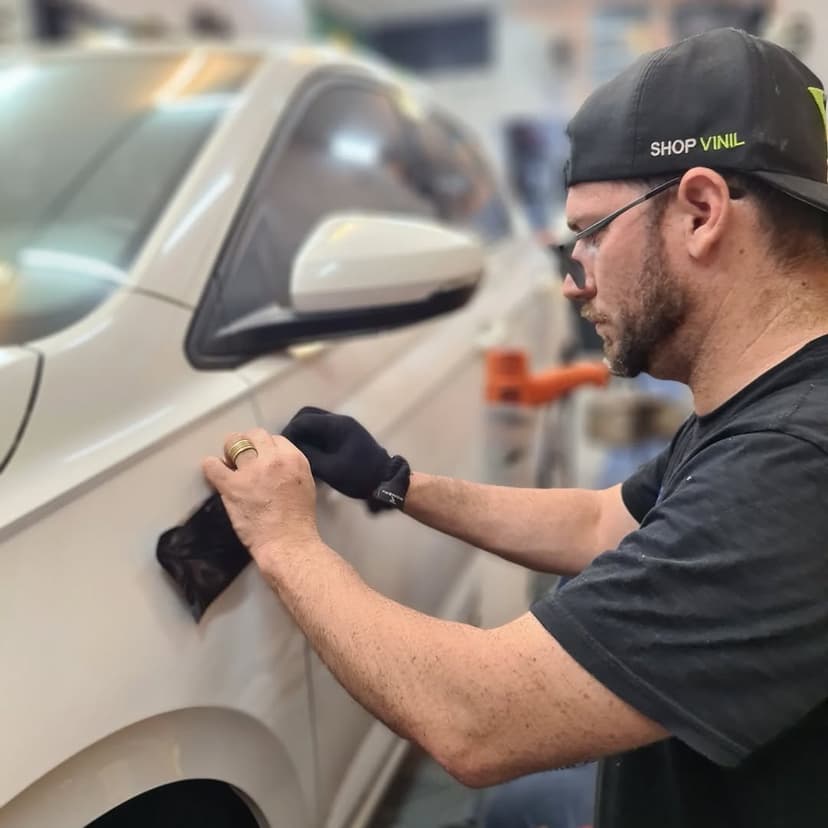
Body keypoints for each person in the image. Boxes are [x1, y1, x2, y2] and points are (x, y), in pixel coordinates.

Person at [202, 28, 828, 827]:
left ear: (701, 211)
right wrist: (399, 482)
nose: (574, 280)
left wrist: (286, 542)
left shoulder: (794, 466)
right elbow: (605, 520)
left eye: (591, 233)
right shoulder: (765, 403)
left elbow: (480, 720)